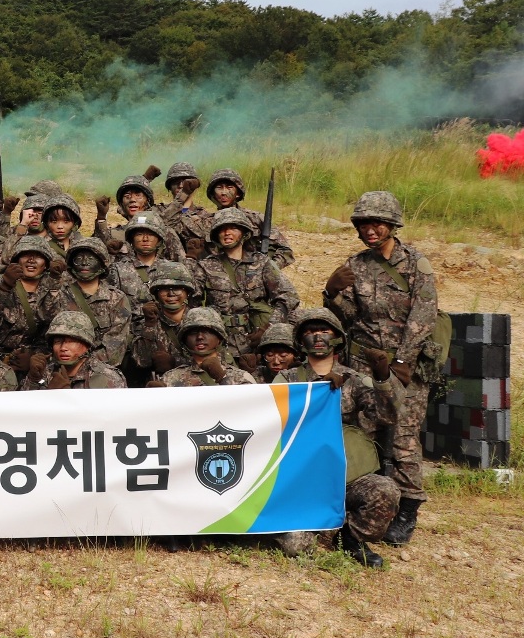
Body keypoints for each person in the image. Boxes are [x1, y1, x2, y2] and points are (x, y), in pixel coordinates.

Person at [323, 190, 440, 546]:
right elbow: (347, 320)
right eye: (362, 224)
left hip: (404, 364)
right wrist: (331, 293)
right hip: (362, 362)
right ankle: (370, 503)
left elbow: (424, 315)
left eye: (376, 223)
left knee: (403, 438)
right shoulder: (355, 265)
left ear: (391, 224)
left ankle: (407, 510)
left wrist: (402, 360)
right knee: (365, 430)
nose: (369, 230)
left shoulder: (415, 264)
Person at [275, 309, 401, 567]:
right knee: (295, 546)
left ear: (337, 339)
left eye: (324, 331)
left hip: (346, 474)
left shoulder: (354, 380)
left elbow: (387, 416)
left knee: (385, 492)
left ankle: (350, 537)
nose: (317, 337)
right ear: (301, 342)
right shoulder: (286, 380)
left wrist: (382, 377)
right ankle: (317, 522)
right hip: (301, 477)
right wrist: (317, 389)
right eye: (309, 332)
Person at [187, 207, 299, 360]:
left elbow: (288, 296)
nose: (227, 233)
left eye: (233, 228)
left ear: (244, 233)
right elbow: (191, 302)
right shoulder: (205, 266)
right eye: (222, 230)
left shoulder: (261, 262)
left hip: (257, 341)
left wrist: (269, 328)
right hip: (221, 343)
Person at [41, 237, 133, 368]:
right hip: (61, 367)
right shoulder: (59, 294)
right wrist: (53, 282)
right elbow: (44, 320)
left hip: (100, 371)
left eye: (91, 259)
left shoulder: (117, 299)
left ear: (102, 263)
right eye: (78, 259)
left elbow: (115, 346)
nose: (84, 263)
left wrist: (82, 366)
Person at [0, 235, 64, 374]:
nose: (31, 260)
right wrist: (4, 287)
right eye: (26, 255)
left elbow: (52, 331)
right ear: (17, 260)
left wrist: (33, 357)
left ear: (46, 263)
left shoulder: (54, 289)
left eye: (38, 257)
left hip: (35, 363)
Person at [204, 168, 293, 269]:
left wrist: (267, 269)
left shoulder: (255, 218)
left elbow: (285, 251)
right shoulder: (205, 222)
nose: (224, 192)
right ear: (213, 194)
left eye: (229, 187)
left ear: (238, 193)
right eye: (219, 188)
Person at [128, 261, 201, 383]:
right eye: (165, 289)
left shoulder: (200, 320)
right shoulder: (147, 321)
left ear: (187, 292)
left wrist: (175, 362)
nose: (171, 294)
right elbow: (141, 361)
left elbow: (213, 359)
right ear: (156, 294)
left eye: (177, 289)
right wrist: (149, 325)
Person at [19, 311, 127, 391]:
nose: (63, 348)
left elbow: (109, 416)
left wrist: (67, 396)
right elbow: (25, 409)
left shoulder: (106, 377)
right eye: (57, 341)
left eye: (71, 341)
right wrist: (34, 379)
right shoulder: (45, 372)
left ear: (87, 344)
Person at [159, 308, 257, 387]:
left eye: (207, 332)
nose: (200, 337)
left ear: (219, 338)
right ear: (185, 340)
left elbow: (248, 408)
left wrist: (223, 378)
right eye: (193, 333)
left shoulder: (241, 377)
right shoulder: (170, 379)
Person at [156, 162, 210, 250]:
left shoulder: (203, 215)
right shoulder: (159, 210)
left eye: (187, 183)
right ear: (170, 187)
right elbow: (159, 228)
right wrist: (182, 196)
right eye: (176, 183)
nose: (181, 186)